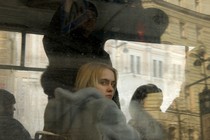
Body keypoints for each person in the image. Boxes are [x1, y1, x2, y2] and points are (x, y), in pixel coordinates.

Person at [42, 62, 165, 140]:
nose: (110, 88)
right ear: (89, 82)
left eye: (113, 84)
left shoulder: (60, 108)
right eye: (103, 82)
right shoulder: (104, 108)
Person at [41, 0, 120, 108]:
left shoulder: (101, 53)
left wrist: (116, 113)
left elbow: (111, 90)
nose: (89, 18)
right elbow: (53, 34)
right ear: (74, 18)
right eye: (84, 14)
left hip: (96, 108)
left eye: (93, 16)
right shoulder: (62, 45)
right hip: (68, 106)